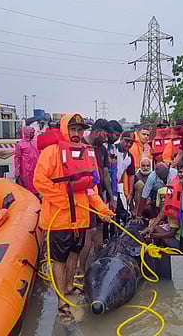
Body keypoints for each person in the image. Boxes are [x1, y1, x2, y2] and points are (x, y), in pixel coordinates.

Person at [33, 113, 114, 321]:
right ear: (64, 130)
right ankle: (61, 299)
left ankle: (69, 287)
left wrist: (103, 211)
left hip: (81, 219)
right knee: (58, 259)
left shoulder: (87, 153)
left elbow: (91, 189)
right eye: (73, 130)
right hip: (58, 219)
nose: (77, 134)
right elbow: (39, 181)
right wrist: (63, 200)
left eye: (80, 130)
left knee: (75, 254)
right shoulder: (51, 153)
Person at [77, 119, 114, 276]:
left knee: (99, 228)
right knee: (88, 232)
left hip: (98, 195)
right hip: (84, 196)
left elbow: (105, 174)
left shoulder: (102, 150)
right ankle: (80, 270)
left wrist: (111, 197)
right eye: (105, 135)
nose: (107, 139)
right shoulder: (80, 145)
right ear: (98, 131)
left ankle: (97, 264)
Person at [112, 131, 136, 233]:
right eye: (126, 141)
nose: (129, 144)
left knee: (118, 210)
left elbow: (131, 175)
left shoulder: (130, 157)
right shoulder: (112, 150)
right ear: (121, 139)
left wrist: (130, 193)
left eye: (131, 142)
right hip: (107, 185)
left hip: (115, 186)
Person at [14, 126, 40, 196]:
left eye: (33, 133)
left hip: (36, 168)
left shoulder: (36, 142)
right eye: (32, 133)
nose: (33, 134)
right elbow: (17, 158)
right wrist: (17, 171)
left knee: (37, 184)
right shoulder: (20, 144)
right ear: (27, 133)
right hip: (26, 170)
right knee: (27, 187)